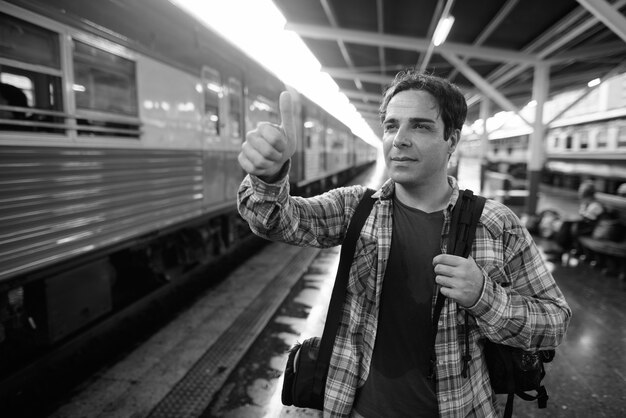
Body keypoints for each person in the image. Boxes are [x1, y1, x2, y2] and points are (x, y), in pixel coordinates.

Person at [237, 69, 571, 417]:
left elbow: (555, 322)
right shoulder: (356, 208)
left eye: (421, 126)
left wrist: (483, 296)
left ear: (452, 140)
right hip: (355, 409)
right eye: (392, 125)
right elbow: (276, 221)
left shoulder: (496, 224)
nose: (399, 139)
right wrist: (270, 177)